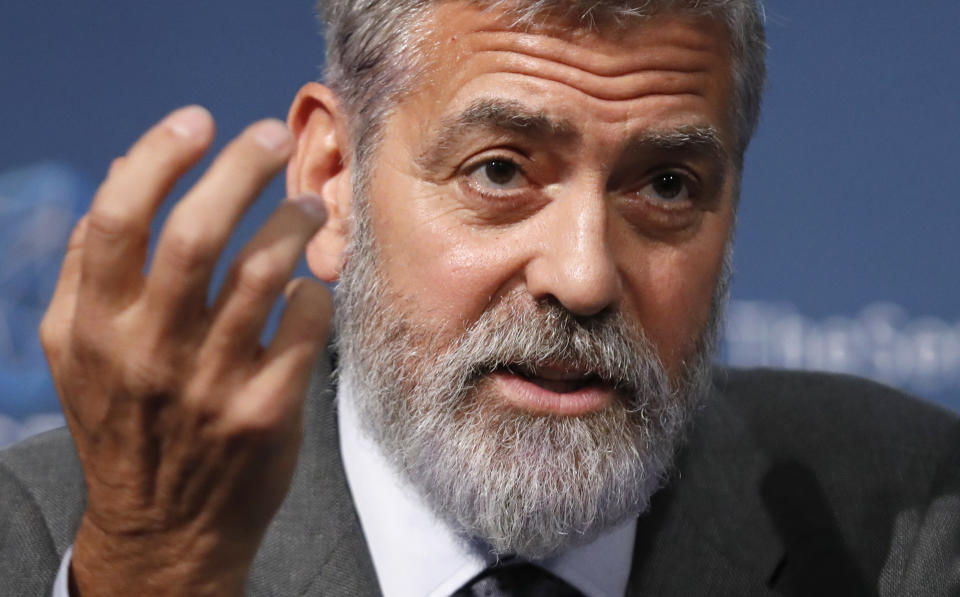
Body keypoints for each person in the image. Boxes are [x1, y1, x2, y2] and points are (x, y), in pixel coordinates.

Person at [1, 0, 958, 595]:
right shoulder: (53, 537)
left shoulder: (909, 519)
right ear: (335, 174)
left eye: (666, 185)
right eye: (499, 170)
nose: (582, 278)